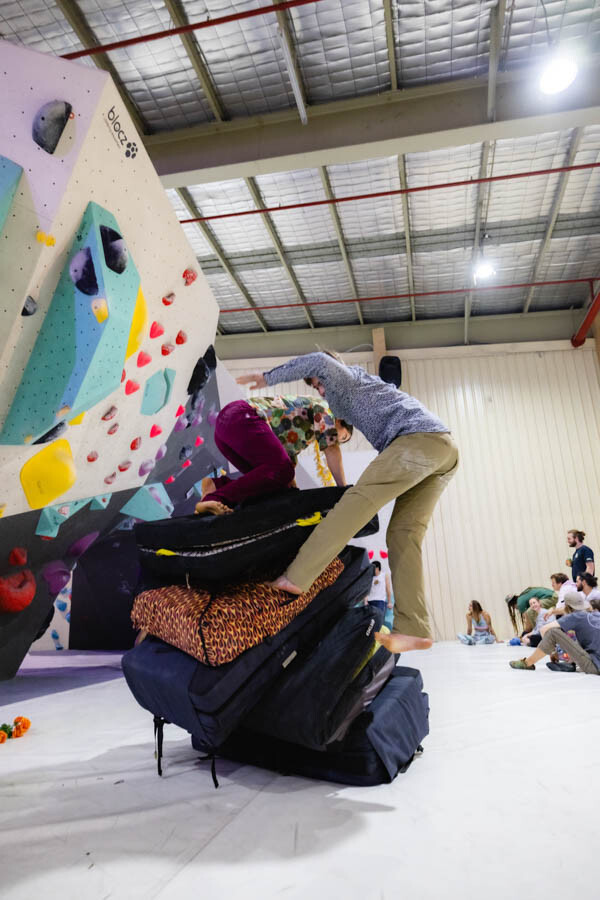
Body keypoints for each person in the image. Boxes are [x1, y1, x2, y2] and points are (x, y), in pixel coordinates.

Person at [237, 351, 459, 654]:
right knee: (403, 534)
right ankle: (414, 628)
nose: (321, 390)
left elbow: (319, 360)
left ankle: (295, 577)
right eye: (316, 387)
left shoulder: (347, 378)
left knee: (353, 507)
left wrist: (267, 378)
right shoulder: (361, 389)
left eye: (319, 384)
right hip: (443, 450)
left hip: (417, 440)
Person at [195, 395, 352, 516]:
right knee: (284, 471)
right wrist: (343, 491)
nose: (340, 441)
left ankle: (216, 486)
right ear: (340, 421)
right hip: (241, 417)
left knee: (276, 485)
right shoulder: (326, 410)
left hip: (226, 429)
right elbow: (331, 449)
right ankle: (215, 498)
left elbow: (283, 463)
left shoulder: (305, 433)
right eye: (343, 437)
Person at [509, 592, 600, 673]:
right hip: (595, 660)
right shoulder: (594, 614)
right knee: (578, 638)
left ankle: (527, 663)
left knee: (553, 632)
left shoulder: (575, 616)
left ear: (567, 606)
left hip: (594, 666)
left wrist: (553, 652)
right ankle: (571, 662)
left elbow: (543, 629)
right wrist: (553, 611)